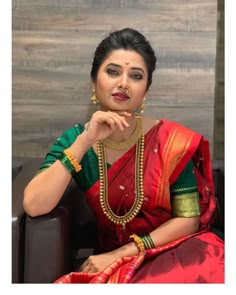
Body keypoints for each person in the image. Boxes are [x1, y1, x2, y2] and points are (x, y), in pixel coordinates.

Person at [23, 27, 224, 283]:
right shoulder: (76, 141)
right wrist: (86, 140)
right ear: (94, 81)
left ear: (146, 91)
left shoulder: (172, 141)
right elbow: (34, 204)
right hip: (115, 263)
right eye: (113, 71)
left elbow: (188, 220)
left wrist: (123, 253)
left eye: (136, 75)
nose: (123, 83)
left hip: (176, 249)